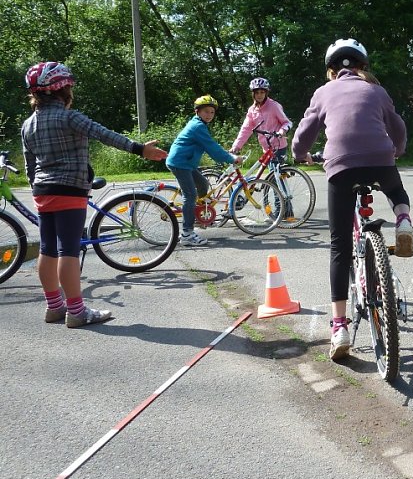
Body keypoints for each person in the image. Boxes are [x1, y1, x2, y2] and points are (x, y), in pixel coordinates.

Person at [20, 62, 167, 328]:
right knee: (69, 250)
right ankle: (76, 312)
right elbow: (104, 135)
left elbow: (30, 163)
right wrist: (139, 149)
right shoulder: (70, 117)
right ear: (62, 89)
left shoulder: (28, 124)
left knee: (47, 249)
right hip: (70, 190)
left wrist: (36, 187)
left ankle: (54, 307)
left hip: (43, 192)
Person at [292, 38, 413, 359]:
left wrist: (301, 154)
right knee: (396, 191)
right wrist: (396, 150)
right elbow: (397, 126)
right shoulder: (376, 90)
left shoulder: (322, 92)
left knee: (339, 245)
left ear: (332, 70)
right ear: (362, 67)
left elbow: (305, 132)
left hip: (340, 166)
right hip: (380, 157)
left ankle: (340, 328)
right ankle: (403, 221)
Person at [166, 95, 244, 246]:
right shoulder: (197, 127)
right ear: (197, 112)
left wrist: (225, 155)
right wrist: (231, 158)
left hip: (186, 163)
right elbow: (212, 147)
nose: (209, 115)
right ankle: (187, 234)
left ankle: (198, 214)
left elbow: (211, 146)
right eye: (206, 111)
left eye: (212, 112)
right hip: (180, 163)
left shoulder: (199, 125)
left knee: (203, 184)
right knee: (190, 195)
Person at [229, 77, 293, 162]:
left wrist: (282, 131)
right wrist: (236, 146)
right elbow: (245, 129)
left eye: (262, 92)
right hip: (266, 148)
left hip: (279, 146)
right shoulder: (252, 110)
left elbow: (287, 123)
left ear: (266, 93)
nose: (259, 95)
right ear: (253, 94)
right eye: (257, 93)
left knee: (275, 172)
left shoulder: (274, 106)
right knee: (271, 173)